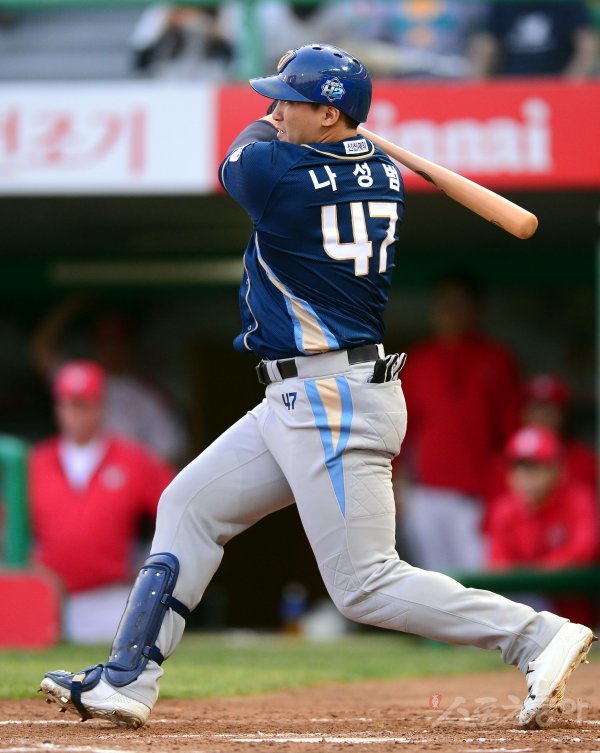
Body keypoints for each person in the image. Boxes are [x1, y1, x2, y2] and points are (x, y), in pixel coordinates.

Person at [39, 43, 594, 731]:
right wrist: (312, 109)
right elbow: (311, 146)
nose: (274, 110)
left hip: (330, 400)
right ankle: (129, 676)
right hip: (302, 397)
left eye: (289, 100)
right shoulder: (384, 173)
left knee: (364, 583)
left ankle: (534, 635)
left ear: (330, 114)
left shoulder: (276, 175)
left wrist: (293, 120)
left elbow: (242, 151)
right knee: (188, 503)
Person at [29, 360, 175, 643]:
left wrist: (150, 562)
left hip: (111, 597)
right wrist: (26, 566)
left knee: (117, 660)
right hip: (47, 598)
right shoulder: (36, 462)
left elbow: (176, 506)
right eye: (67, 404)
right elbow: (8, 526)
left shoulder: (132, 459)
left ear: (100, 406)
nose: (74, 414)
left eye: (83, 405)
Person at [396, 273, 520, 572]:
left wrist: (506, 493)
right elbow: (401, 429)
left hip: (477, 496)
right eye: (445, 304)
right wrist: (397, 482)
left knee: (482, 581)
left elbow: (511, 432)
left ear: (477, 310)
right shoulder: (419, 361)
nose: (451, 312)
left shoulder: (497, 359)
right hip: (425, 493)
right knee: (434, 582)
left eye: (460, 304)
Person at [31, 296, 187, 465]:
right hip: (77, 467)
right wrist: (73, 303)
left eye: (118, 342)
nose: (111, 349)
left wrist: (132, 472)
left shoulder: (147, 394)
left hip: (125, 473)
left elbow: (170, 452)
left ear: (131, 346)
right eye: (105, 342)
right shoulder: (79, 378)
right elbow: (41, 351)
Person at [487, 425, 599, 623]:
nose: (525, 475)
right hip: (526, 611)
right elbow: (499, 566)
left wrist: (535, 571)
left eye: (535, 466)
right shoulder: (504, 509)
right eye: (519, 466)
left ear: (558, 469)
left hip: (578, 614)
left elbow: (585, 549)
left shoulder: (578, 499)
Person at [470, 1, 598, 78]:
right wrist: (478, 87)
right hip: (512, 83)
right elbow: (486, 44)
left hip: (555, 82)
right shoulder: (504, 6)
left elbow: (586, 44)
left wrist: (572, 83)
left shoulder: (568, 5)